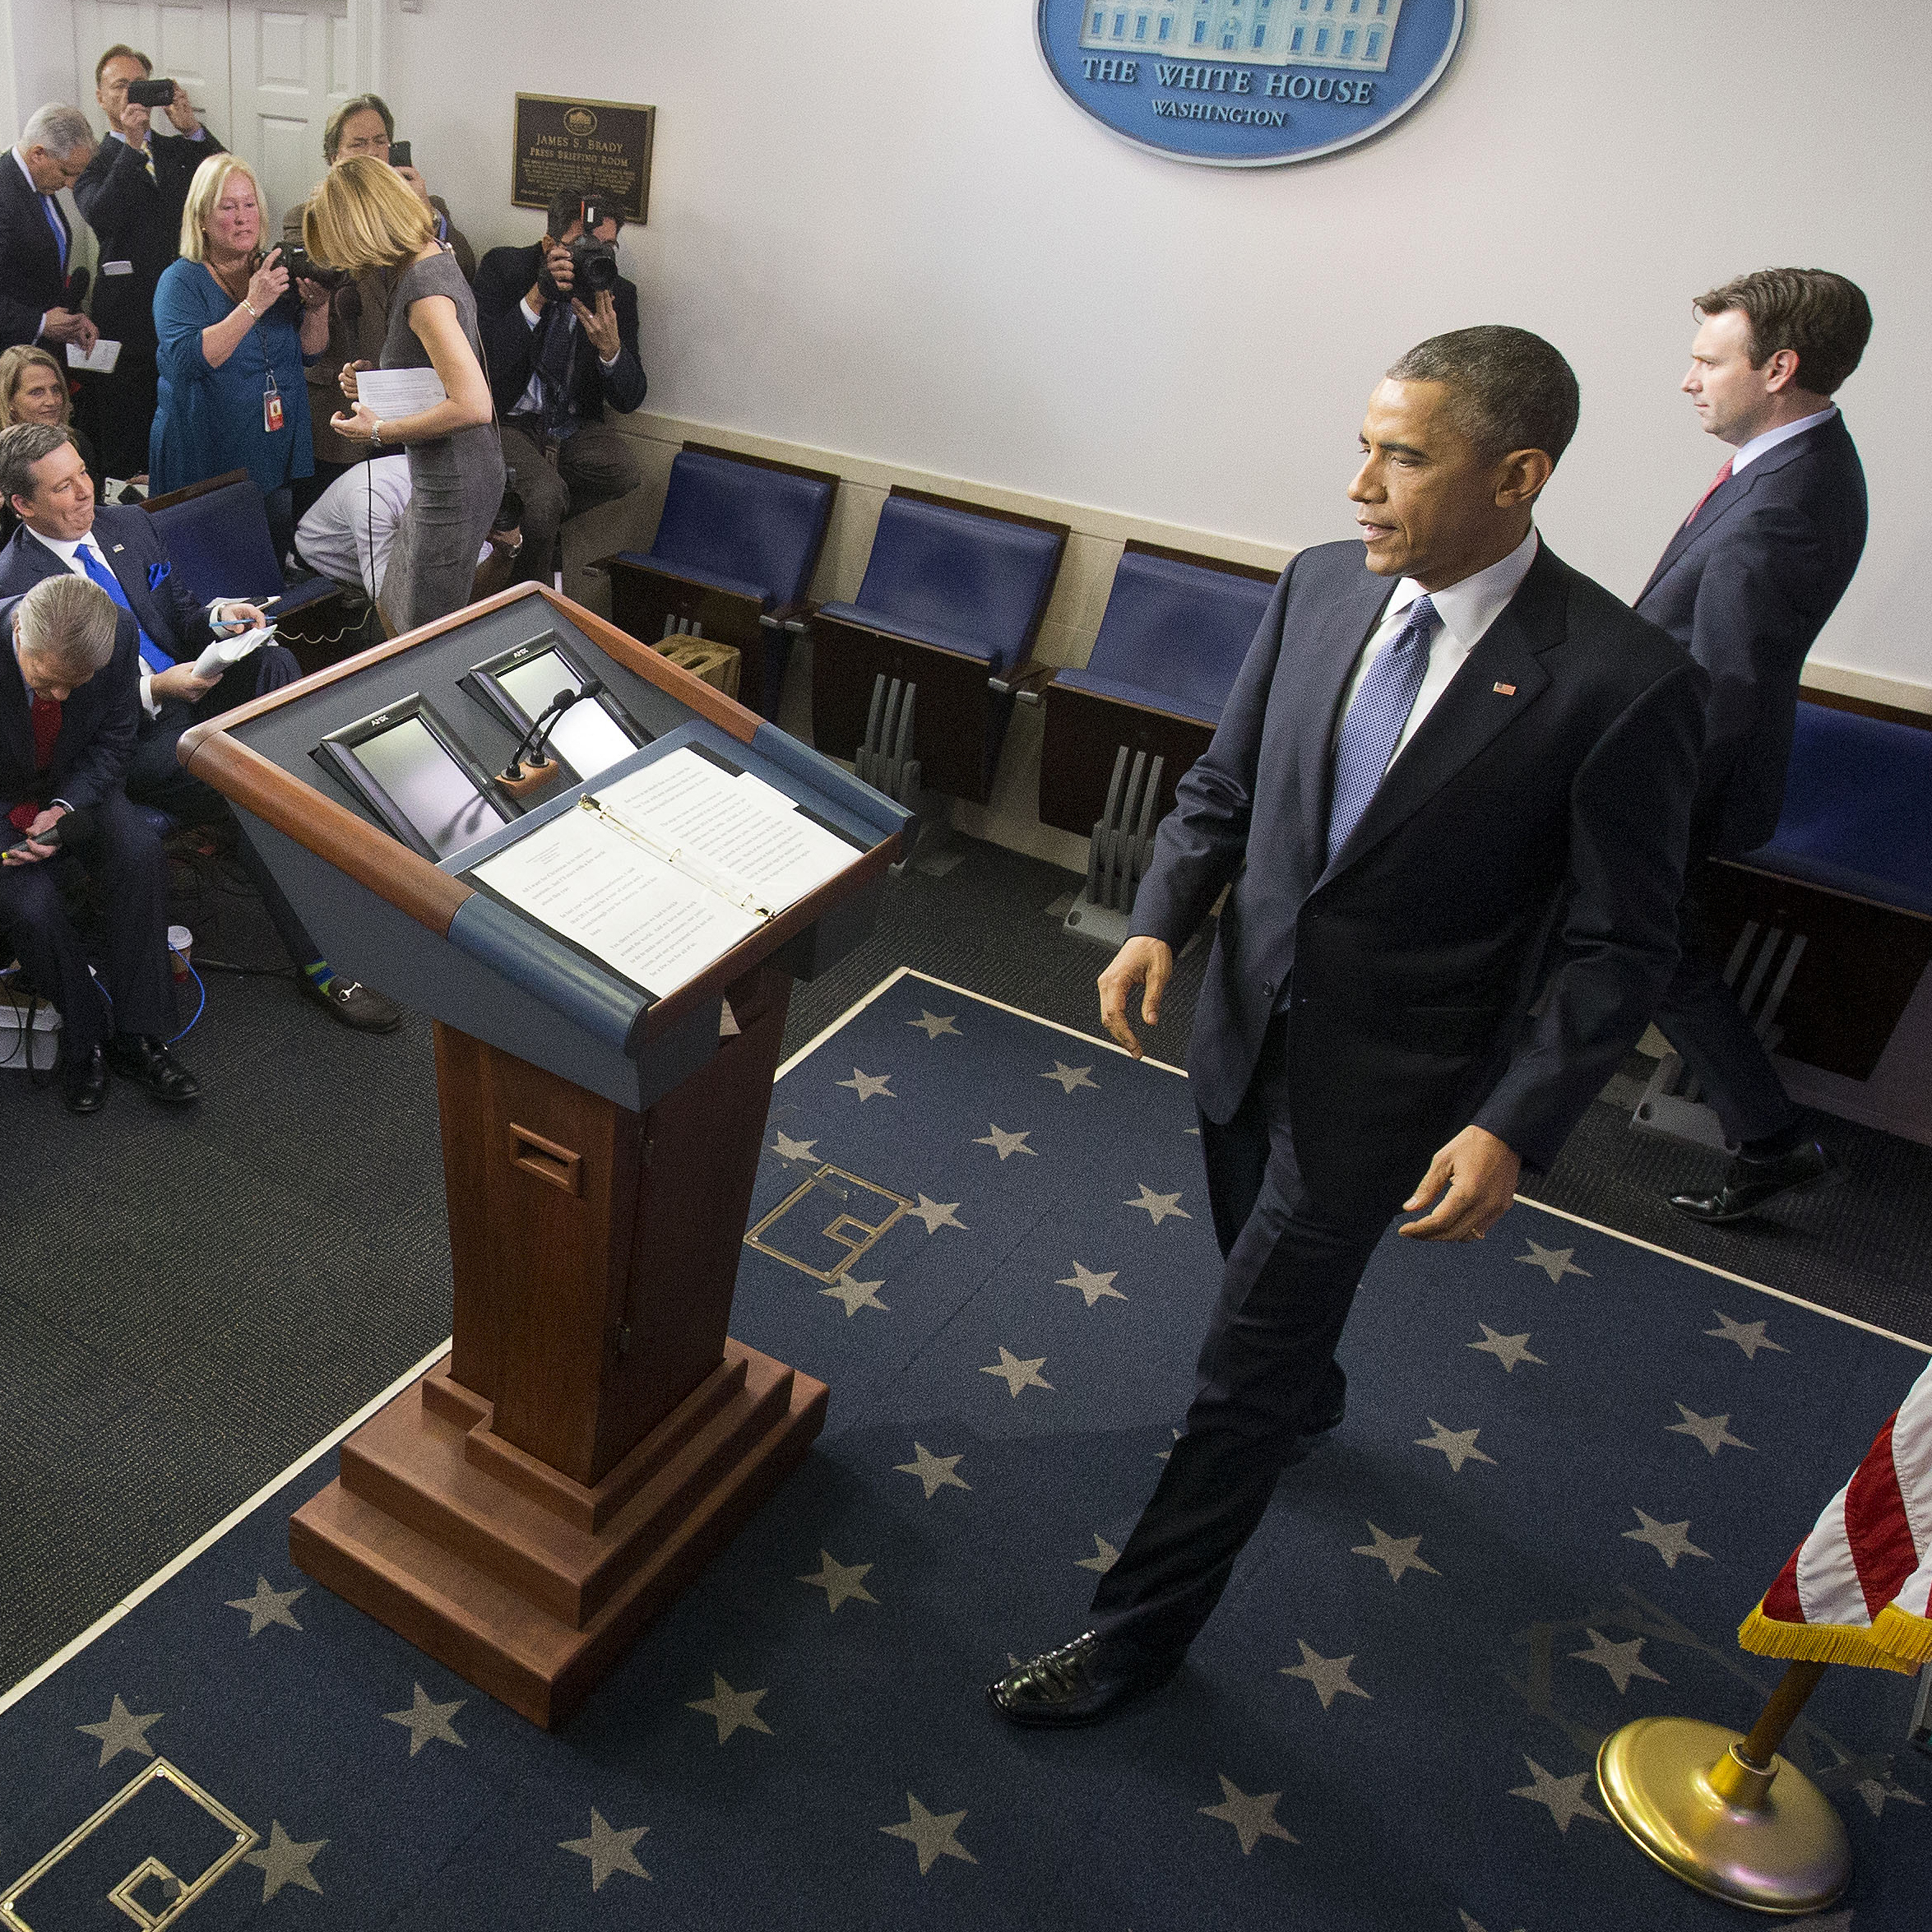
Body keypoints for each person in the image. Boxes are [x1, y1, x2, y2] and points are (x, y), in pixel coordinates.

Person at [988, 327, 1709, 1727]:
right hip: (1233, 1028)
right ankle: (1307, 1387)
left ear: (1514, 474)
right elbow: (1222, 784)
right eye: (1363, 444)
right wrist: (1154, 920)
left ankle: (1133, 1636)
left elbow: (1621, 941)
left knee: (1234, 1368)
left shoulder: (1620, 680)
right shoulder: (1320, 585)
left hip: (1386, 1090)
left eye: (1400, 455)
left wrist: (1512, 1119)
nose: (1357, 484)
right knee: (1259, 1282)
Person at [0, 422, 400, 1031]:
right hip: (127, 741)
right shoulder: (17, 588)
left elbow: (180, 610)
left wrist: (220, 618)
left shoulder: (124, 524)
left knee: (273, 662)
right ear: (22, 504)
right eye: (63, 487)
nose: (86, 492)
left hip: (194, 691)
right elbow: (67, 721)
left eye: (84, 473)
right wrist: (153, 688)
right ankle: (322, 961)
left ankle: (312, 820)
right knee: (255, 787)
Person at [1636, 270, 1872, 1225]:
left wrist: (1633, 786)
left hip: (1675, 774)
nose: (1689, 380)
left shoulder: (1786, 498)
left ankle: (1771, 1144)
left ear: (1778, 367)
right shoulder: (1791, 464)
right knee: (1649, 950)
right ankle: (1771, 1144)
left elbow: (1726, 686)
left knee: (1641, 946)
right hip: (1673, 767)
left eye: (1707, 360)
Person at [1, 572, 198, 1113]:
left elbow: (115, 740)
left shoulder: (120, 632)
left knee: (137, 854)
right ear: (20, 632)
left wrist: (64, 808)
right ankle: (84, 1033)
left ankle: (140, 1035)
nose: (60, 695)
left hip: (75, 783)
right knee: (31, 905)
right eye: (46, 681)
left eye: (75, 683)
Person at [304, 157, 501, 631]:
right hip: (451, 475)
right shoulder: (432, 255)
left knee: (420, 635)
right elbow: (437, 373)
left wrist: (377, 430)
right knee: (399, 614)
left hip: (453, 485)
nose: (348, 265)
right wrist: (379, 380)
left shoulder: (423, 292)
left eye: (344, 249)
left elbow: (473, 404)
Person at [283, 93, 476, 511]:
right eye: (358, 144)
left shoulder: (426, 227)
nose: (372, 153)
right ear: (333, 155)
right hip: (346, 394)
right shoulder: (315, 215)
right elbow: (338, 270)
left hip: (412, 405)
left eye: (380, 141)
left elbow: (463, 269)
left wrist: (418, 211)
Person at [150, 153, 331, 563]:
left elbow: (309, 352)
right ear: (201, 218)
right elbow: (187, 362)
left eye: (250, 205)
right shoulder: (180, 280)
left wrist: (318, 309)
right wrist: (253, 304)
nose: (242, 217)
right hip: (205, 452)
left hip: (272, 446)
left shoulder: (272, 266)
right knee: (210, 572)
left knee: (269, 563)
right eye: (228, 207)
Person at [475, 184, 646, 586]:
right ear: (550, 242)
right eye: (583, 245)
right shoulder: (506, 269)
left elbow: (631, 398)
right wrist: (536, 298)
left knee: (622, 470)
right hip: (509, 418)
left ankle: (525, 517)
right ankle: (530, 597)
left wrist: (611, 351)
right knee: (545, 499)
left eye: (607, 247)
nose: (595, 258)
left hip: (568, 424)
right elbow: (485, 367)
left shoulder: (617, 293)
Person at [73, 44, 224, 480]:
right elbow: (102, 215)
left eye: (138, 85)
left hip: (190, 309)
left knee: (190, 429)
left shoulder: (180, 150)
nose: (130, 95)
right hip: (127, 324)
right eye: (120, 86)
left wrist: (192, 128)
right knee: (128, 437)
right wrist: (132, 144)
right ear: (101, 98)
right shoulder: (93, 162)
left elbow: (226, 178)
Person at [295, 456, 523, 603]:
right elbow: (388, 600)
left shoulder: (472, 490)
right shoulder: (372, 497)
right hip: (322, 579)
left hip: (405, 570)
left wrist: (505, 552)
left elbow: (475, 590)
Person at [1, 104, 98, 354]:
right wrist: (40, 323)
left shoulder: (38, 183)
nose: (69, 185)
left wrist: (71, 320)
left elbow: (42, 273)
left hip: (40, 352)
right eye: (66, 172)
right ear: (38, 154)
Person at [0, 344, 104, 542]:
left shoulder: (76, 443)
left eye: (55, 389)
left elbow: (95, 513)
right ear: (9, 401)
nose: (52, 401)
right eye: (36, 392)